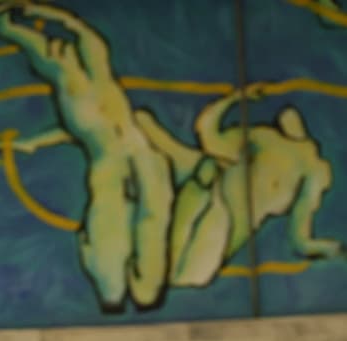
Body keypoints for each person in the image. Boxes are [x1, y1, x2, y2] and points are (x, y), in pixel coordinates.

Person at [0, 1, 173, 312]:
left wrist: (48, 15)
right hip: (118, 158)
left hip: (118, 157)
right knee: (65, 77)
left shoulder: (96, 86)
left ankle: (114, 296)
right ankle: (113, 296)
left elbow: (87, 40)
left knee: (66, 76)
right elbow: (85, 41)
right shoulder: (90, 93)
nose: (60, 48)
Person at [135, 83, 340, 288]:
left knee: (185, 275)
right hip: (209, 187)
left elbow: (301, 240)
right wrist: (234, 99)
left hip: (221, 213)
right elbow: (209, 136)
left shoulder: (314, 172)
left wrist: (335, 249)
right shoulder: (265, 138)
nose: (288, 113)